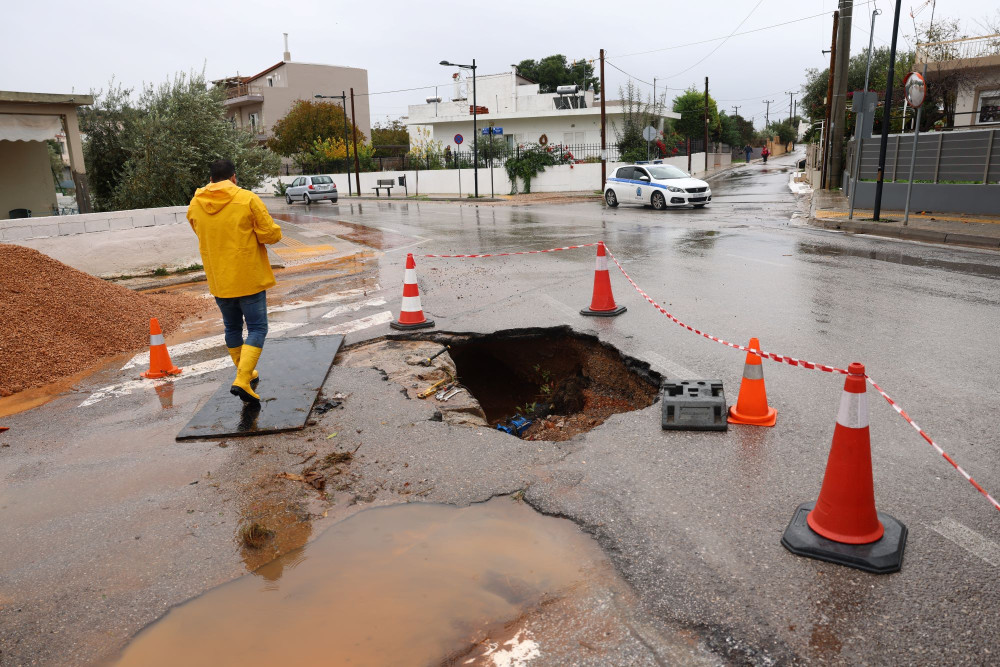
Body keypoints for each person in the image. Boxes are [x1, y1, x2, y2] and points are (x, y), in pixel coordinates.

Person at [187, 159, 282, 404]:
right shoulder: (247, 199)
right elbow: (269, 234)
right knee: (257, 328)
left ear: (210, 180)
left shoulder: (196, 204)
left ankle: (246, 372)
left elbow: (200, 231)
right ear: (234, 178)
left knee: (232, 328)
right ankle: (241, 379)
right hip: (247, 275)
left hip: (219, 278)